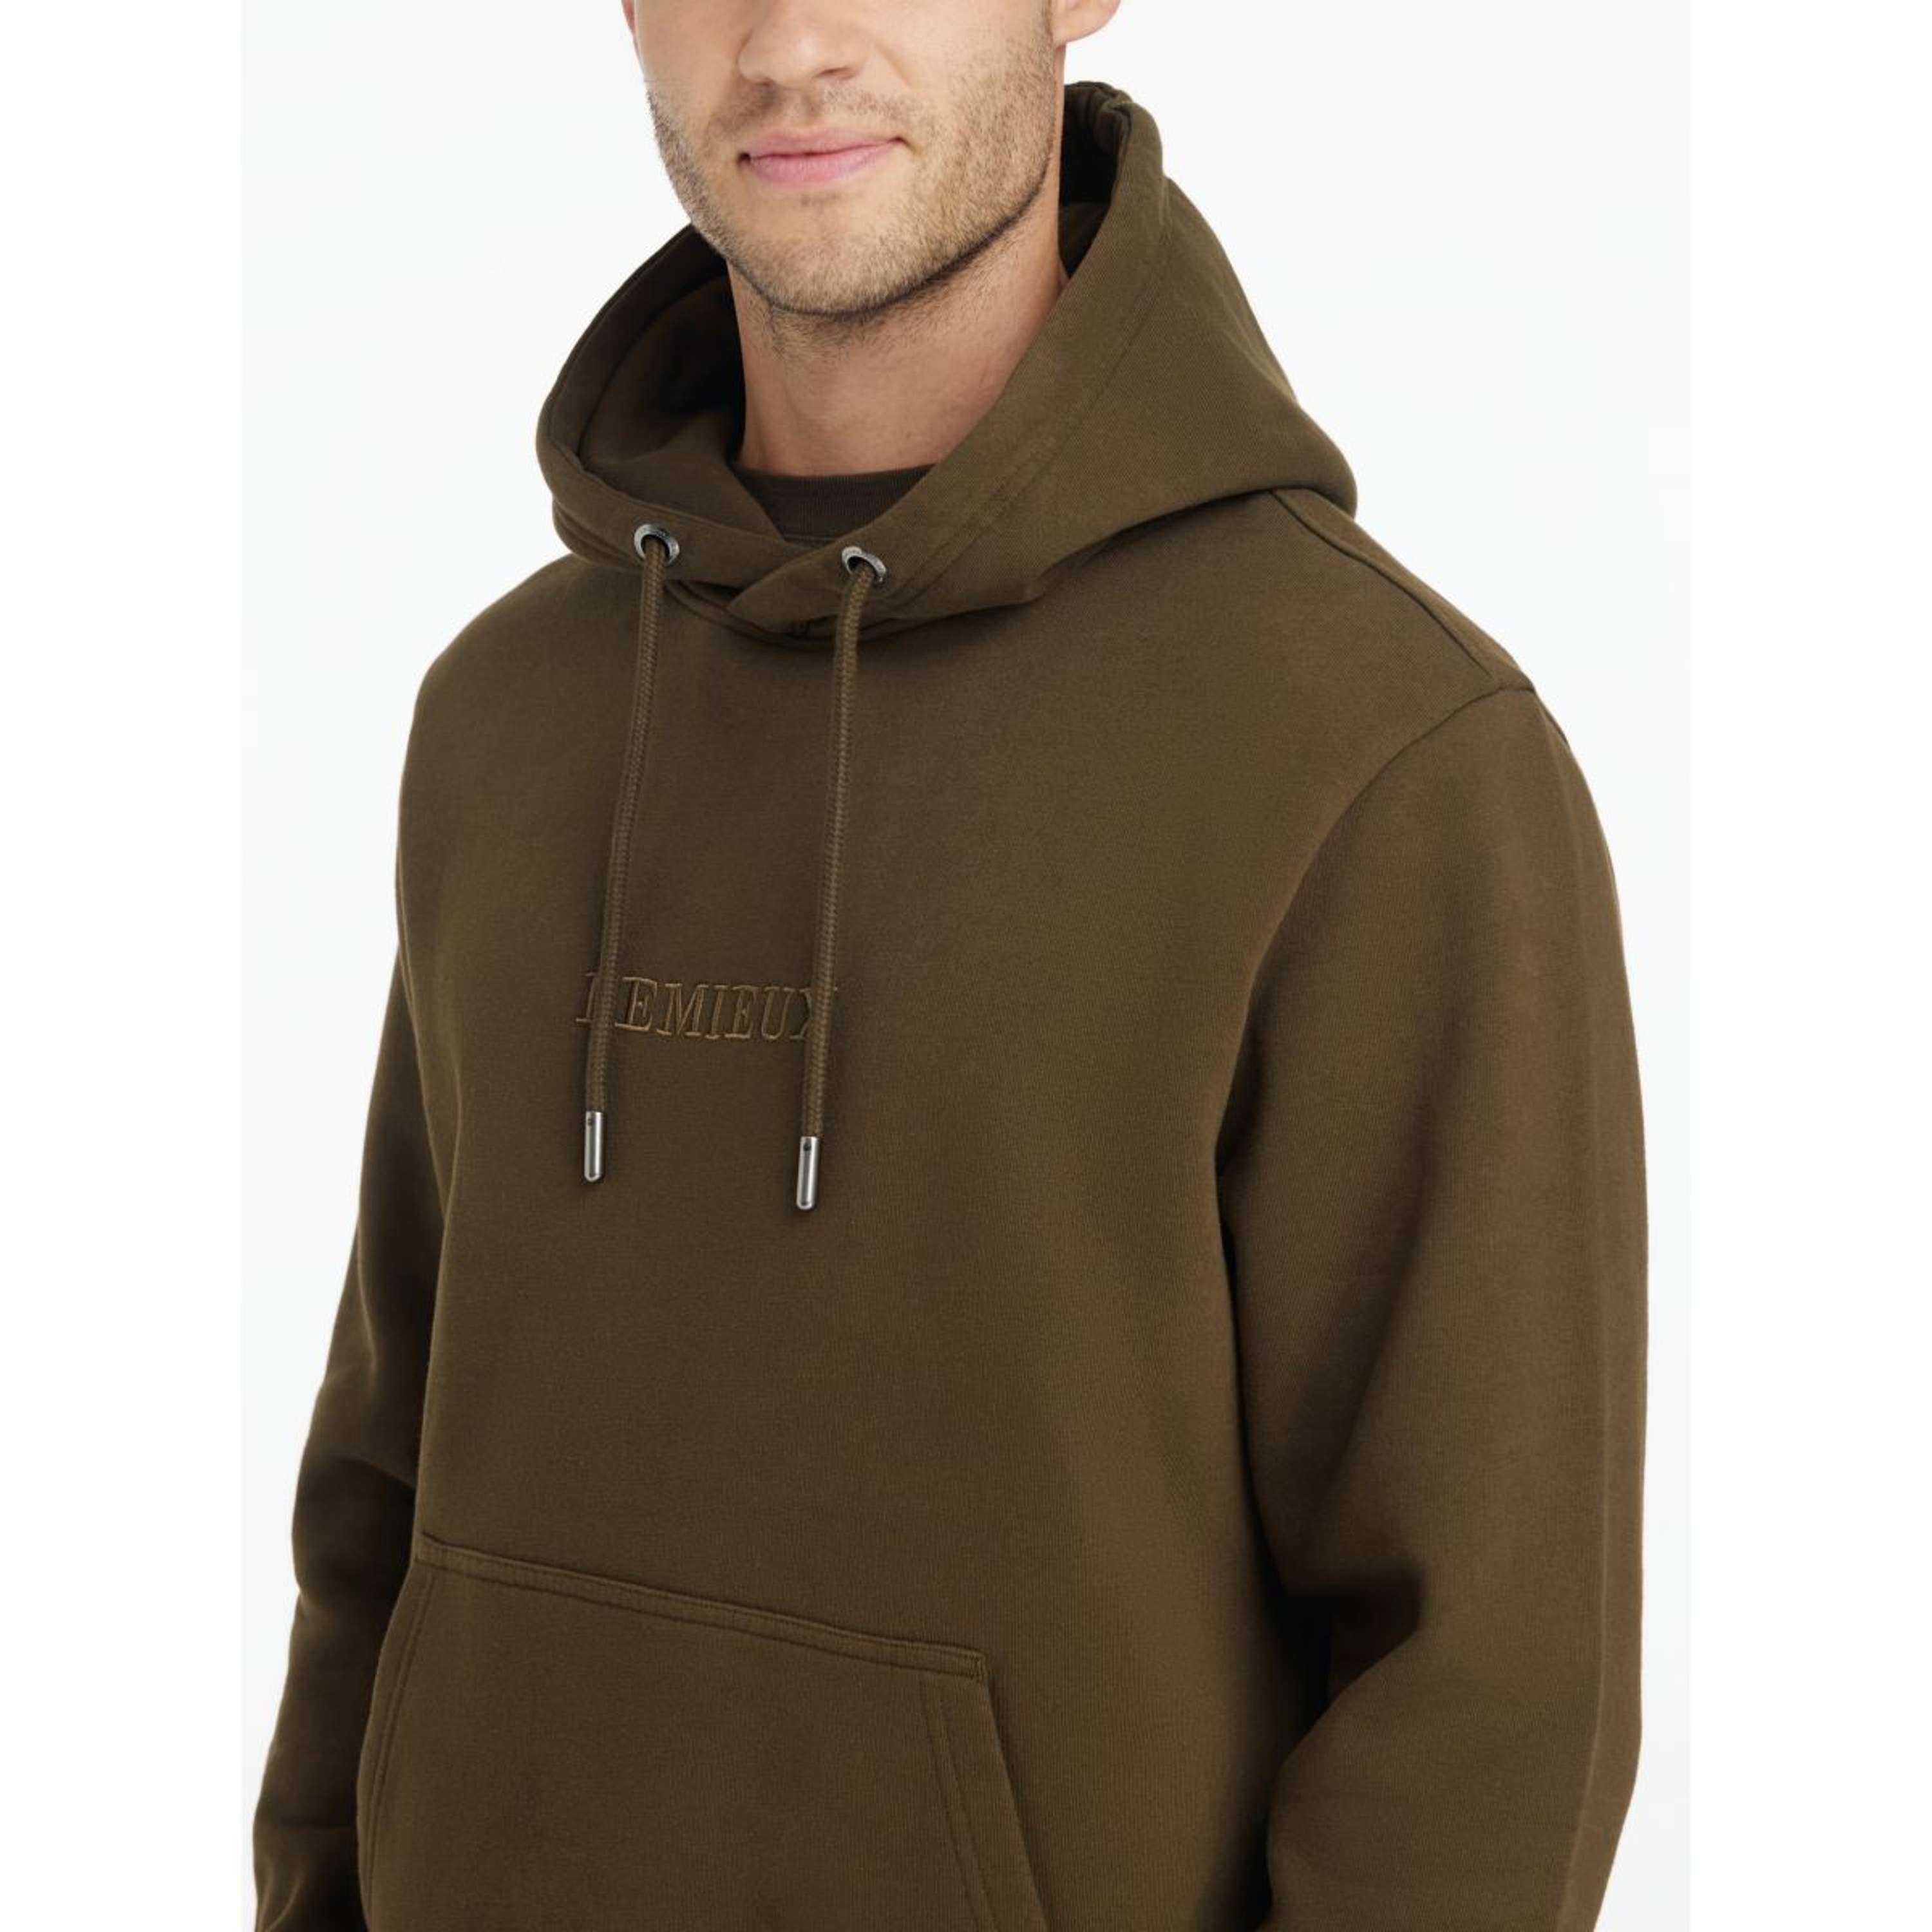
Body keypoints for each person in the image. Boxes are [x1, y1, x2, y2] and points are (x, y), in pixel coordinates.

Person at [252, 5, 1648, 1929]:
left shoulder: (1380, 753)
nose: (791, 38)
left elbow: (1482, 1714)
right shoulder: (510, 714)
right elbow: (381, 1501)